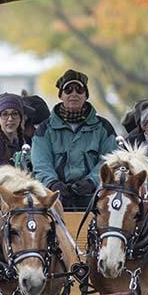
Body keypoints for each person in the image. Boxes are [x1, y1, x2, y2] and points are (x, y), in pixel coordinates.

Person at [31, 69, 117, 209]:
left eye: (79, 90)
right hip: (54, 198)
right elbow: (41, 164)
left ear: (86, 96)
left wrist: (92, 182)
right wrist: (53, 184)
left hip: (96, 197)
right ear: (61, 96)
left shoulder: (104, 127)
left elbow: (110, 161)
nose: (74, 94)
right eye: (68, 90)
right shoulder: (44, 129)